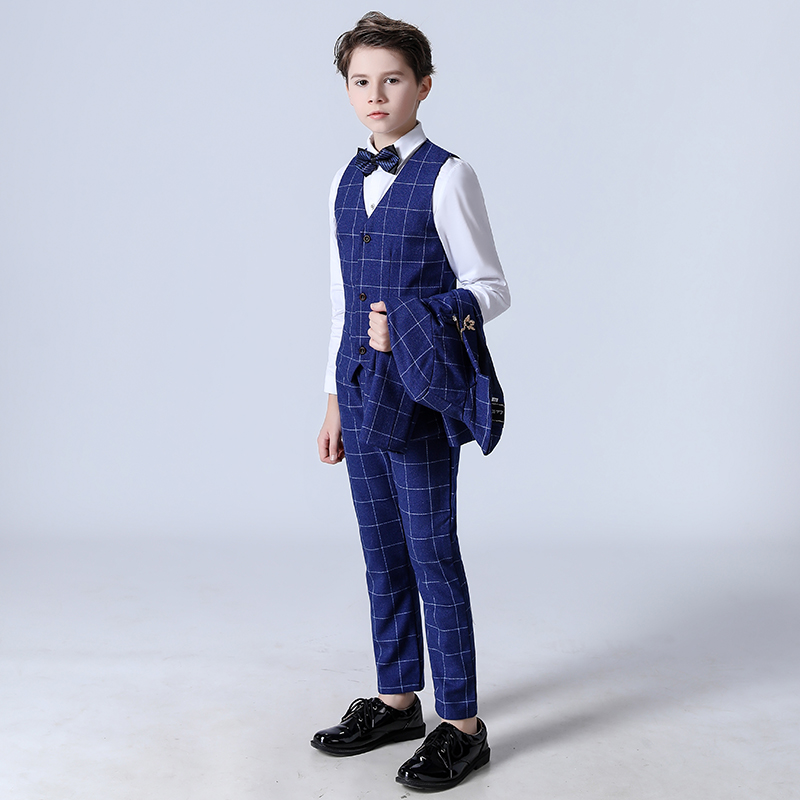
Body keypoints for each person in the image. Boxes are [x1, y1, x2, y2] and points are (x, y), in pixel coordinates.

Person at [312, 11, 510, 792]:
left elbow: (491, 288)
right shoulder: (343, 179)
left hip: (419, 395)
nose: (376, 94)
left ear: (423, 86)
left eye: (391, 79)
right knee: (382, 552)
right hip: (359, 391)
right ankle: (397, 700)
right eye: (361, 81)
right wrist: (332, 398)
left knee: (432, 555)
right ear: (347, 91)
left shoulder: (449, 175)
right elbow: (340, 302)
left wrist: (419, 316)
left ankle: (462, 725)